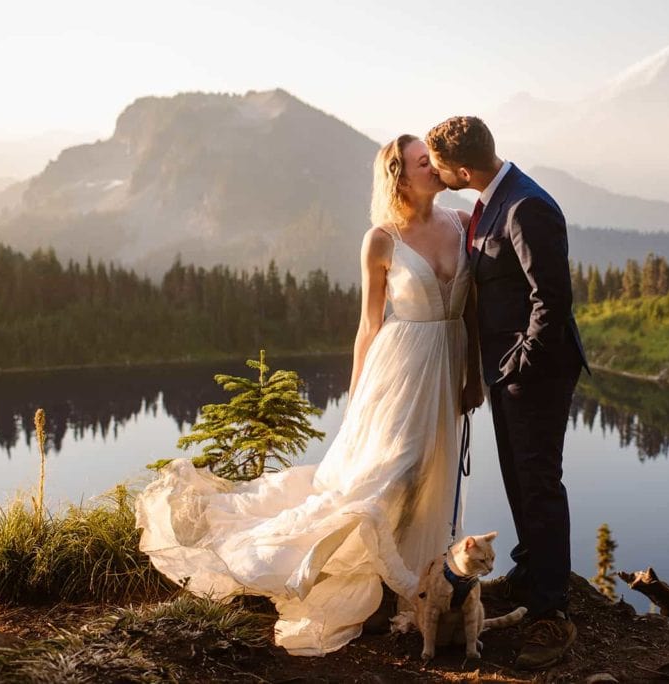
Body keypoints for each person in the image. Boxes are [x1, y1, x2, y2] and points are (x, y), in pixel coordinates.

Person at [135, 135, 485, 656]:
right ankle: (379, 579)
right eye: (421, 162)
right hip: (400, 369)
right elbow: (368, 326)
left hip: (449, 360)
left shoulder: (462, 223)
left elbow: (474, 307)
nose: (433, 167)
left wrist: (473, 374)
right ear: (399, 176)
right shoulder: (381, 240)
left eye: (432, 161)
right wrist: (359, 393)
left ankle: (421, 586)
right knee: (396, 472)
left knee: (434, 474)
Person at [426, 116, 589, 670]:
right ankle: (531, 571)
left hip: (534, 373)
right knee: (521, 479)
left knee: (539, 483)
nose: (439, 173)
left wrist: (520, 365)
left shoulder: (525, 206)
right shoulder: (490, 199)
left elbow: (553, 299)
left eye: (440, 165)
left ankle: (552, 614)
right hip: (507, 373)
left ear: (463, 168)